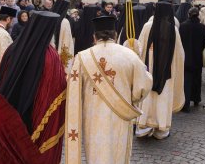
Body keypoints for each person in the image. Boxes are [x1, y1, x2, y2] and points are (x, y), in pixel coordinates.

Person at [65, 16, 152, 164]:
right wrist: (133, 98)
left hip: (92, 117)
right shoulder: (130, 55)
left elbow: (73, 91)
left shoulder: (82, 57)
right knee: (117, 153)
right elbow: (143, 86)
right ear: (115, 34)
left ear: (94, 37)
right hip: (120, 115)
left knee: (96, 155)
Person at [0, 11, 67, 164]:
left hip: (9, 113)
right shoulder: (50, 55)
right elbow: (56, 88)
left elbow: (2, 79)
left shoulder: (14, 48)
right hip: (37, 115)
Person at [135, 2, 184, 139]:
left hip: (148, 70)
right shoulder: (173, 29)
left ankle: (144, 127)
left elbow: (140, 47)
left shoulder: (147, 26)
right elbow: (179, 54)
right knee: (162, 99)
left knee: (147, 98)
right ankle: (161, 129)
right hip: (166, 72)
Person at [179, 7, 205, 112]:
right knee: (197, 79)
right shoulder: (203, 27)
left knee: (186, 81)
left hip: (185, 57)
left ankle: (185, 104)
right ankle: (196, 99)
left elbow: (180, 42)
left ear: (188, 14)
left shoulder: (183, 26)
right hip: (197, 57)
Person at [51, 0, 75, 73]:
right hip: (59, 53)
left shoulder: (50, 19)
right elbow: (67, 41)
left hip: (50, 53)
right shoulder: (65, 22)